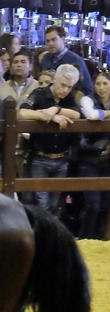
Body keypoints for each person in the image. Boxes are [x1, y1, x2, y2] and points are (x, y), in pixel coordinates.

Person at [19, 64, 81, 213]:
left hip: (62, 158)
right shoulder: (39, 93)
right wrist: (47, 116)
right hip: (40, 157)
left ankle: (50, 234)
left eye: (69, 87)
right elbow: (21, 112)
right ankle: (43, 234)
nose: (65, 90)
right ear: (54, 80)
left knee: (55, 203)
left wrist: (56, 109)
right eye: (63, 85)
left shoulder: (69, 98)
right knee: (42, 203)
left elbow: (77, 114)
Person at [77, 71, 110, 239]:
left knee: (105, 203)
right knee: (93, 204)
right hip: (89, 157)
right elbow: (91, 115)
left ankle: (99, 239)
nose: (102, 88)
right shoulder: (87, 99)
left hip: (107, 160)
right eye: (98, 84)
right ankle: (85, 238)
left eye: (105, 83)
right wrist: (108, 114)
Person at [40, 25, 94, 96]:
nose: (50, 43)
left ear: (63, 39)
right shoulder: (45, 58)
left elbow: (87, 89)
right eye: (48, 41)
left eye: (54, 39)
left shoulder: (75, 60)